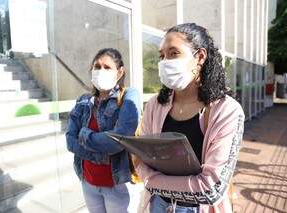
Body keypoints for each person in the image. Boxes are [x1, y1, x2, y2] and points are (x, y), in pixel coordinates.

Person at [133, 23, 245, 213]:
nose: (164, 61)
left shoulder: (226, 111)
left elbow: (212, 189)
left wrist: (152, 180)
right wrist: (153, 180)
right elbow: (141, 161)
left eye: (174, 53)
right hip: (156, 205)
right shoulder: (154, 105)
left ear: (200, 57)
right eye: (162, 55)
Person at [66, 48, 141, 213]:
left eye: (107, 67)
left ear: (120, 72)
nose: (101, 71)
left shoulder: (129, 96)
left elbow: (119, 139)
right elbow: (70, 141)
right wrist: (100, 154)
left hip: (116, 184)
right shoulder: (83, 101)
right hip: (88, 181)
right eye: (97, 67)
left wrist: (84, 135)